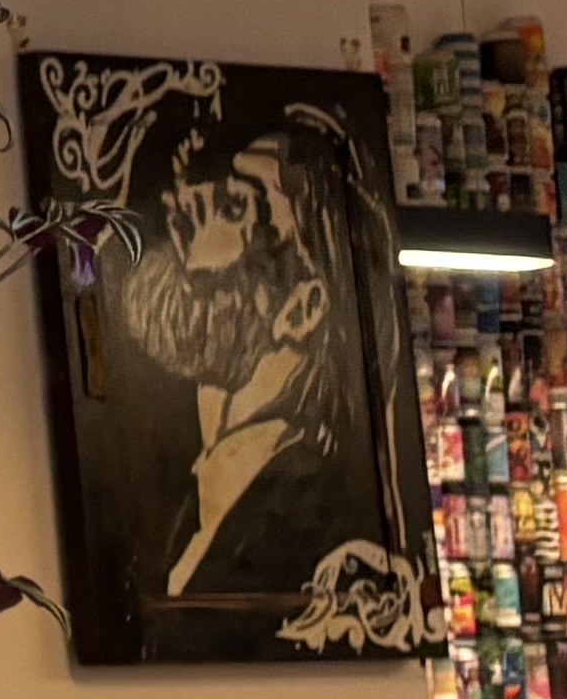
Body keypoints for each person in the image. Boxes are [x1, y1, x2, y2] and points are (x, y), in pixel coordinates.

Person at [115, 115, 375, 606]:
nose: (185, 220)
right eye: (189, 208)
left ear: (302, 308)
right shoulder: (190, 502)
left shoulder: (312, 511)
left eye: (235, 207)